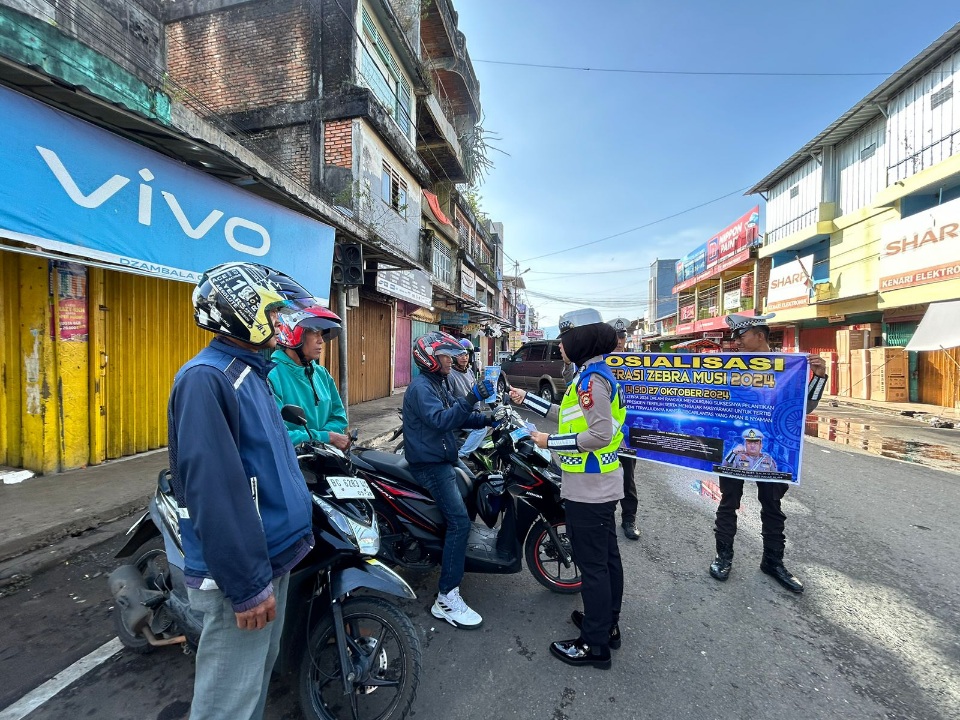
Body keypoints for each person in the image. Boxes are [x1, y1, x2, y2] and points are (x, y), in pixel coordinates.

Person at [168, 262, 321, 719]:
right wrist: (249, 586)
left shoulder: (250, 372)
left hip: (271, 558)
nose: (281, 324)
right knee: (228, 703)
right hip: (247, 572)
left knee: (253, 682)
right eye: (273, 313)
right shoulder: (206, 379)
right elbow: (216, 494)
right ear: (242, 312)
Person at [509, 308, 625, 670]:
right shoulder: (591, 376)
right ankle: (605, 626)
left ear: (581, 340)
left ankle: (594, 646)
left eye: (565, 338)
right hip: (599, 485)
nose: (560, 345)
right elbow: (567, 413)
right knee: (605, 562)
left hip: (589, 488)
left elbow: (599, 434)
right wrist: (525, 400)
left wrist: (547, 441)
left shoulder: (591, 381)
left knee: (593, 567)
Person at [709, 312, 827, 594]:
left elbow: (804, 409)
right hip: (734, 447)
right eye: (735, 338)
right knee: (728, 503)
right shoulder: (727, 367)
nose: (736, 342)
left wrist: (819, 377)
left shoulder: (789, 368)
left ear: (759, 336)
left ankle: (773, 562)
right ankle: (723, 557)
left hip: (773, 449)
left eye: (741, 336)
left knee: (772, 507)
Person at [403, 331, 496, 629]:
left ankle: (454, 553)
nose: (451, 360)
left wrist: (488, 417)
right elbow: (442, 420)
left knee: (472, 490)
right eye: (445, 355)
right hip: (430, 464)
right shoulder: (421, 388)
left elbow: (457, 414)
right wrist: (472, 397)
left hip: (445, 456)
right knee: (460, 521)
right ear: (429, 358)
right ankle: (446, 597)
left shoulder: (438, 383)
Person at [268, 305, 350, 450]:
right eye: (314, 333)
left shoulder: (321, 374)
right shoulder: (272, 375)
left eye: (321, 334)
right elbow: (277, 433)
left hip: (324, 458)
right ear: (294, 334)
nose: (321, 341)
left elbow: (339, 417)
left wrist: (325, 438)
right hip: (296, 461)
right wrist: (326, 437)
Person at [612, 329, 640, 540]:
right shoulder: (599, 364)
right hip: (605, 434)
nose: (620, 342)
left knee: (627, 479)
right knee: (606, 477)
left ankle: (629, 519)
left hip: (629, 433)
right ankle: (605, 517)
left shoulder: (637, 364)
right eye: (616, 337)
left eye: (623, 337)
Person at [445, 338, 489, 458]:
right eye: (460, 355)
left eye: (466, 354)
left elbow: (476, 393)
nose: (464, 357)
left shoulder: (469, 372)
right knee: (481, 428)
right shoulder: (450, 375)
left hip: (468, 411)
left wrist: (476, 409)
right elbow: (448, 399)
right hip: (457, 414)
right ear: (454, 357)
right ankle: (462, 455)